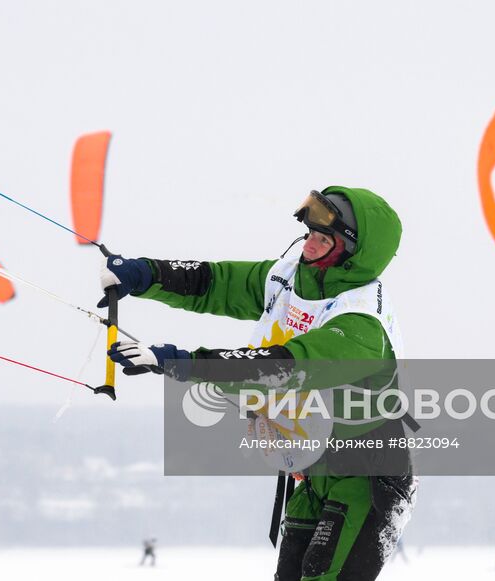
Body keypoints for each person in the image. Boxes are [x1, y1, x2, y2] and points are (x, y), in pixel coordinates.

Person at [103, 187, 413, 581]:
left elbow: (281, 369)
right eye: (309, 234)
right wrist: (145, 274)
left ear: (351, 253)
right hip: (314, 469)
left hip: (368, 479)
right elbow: (215, 283)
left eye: (323, 239)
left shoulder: (360, 325)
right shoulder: (289, 279)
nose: (310, 245)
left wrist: (183, 362)